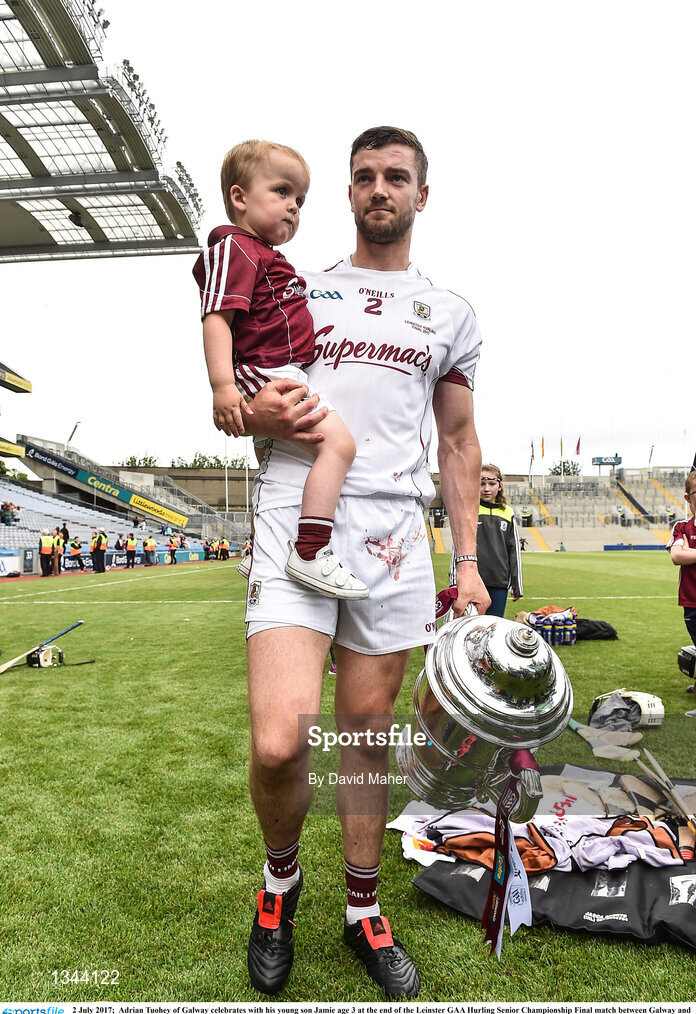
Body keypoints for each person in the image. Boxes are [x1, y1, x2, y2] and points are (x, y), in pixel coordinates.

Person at [234, 126, 489, 999]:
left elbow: (457, 441)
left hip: (392, 537)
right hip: (294, 514)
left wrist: (469, 560)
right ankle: (279, 886)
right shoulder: (296, 284)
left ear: (423, 194)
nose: (379, 188)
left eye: (397, 177)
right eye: (364, 177)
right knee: (278, 742)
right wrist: (245, 411)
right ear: (348, 194)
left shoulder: (448, 311)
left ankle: (361, 907)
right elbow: (237, 399)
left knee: (365, 739)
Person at [193, 139, 367, 601]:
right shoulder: (236, 248)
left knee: (274, 462)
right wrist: (223, 385)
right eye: (283, 191)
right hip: (266, 371)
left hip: (279, 368)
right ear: (240, 197)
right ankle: (310, 550)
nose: (293, 206)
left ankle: (258, 547)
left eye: (300, 200)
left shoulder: (262, 253)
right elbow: (216, 317)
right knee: (340, 445)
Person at [459, 464, 523, 617]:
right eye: (481, 483)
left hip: (499, 582)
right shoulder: (469, 510)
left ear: (500, 486)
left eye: (491, 483)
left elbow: (514, 550)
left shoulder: (508, 512)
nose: (486, 488)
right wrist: (455, 580)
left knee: (493, 628)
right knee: (471, 628)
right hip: (473, 580)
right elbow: (459, 546)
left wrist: (517, 584)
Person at [667, 470, 696, 650]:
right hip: (693, 603)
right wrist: (683, 553)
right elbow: (677, 556)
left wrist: (690, 552)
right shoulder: (682, 527)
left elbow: (684, 554)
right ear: (688, 498)